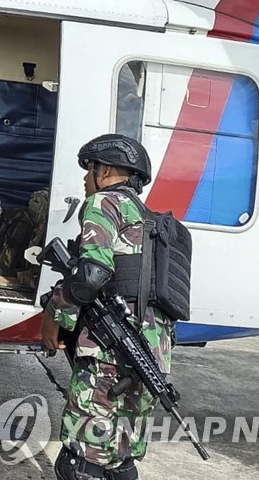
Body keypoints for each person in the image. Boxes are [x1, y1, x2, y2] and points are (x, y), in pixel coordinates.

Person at [40, 134, 172, 480]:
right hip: (150, 357)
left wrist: (54, 316)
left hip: (111, 351)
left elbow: (91, 274)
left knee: (82, 461)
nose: (86, 178)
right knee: (119, 458)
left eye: (90, 169)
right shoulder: (152, 222)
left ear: (107, 169)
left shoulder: (104, 204)